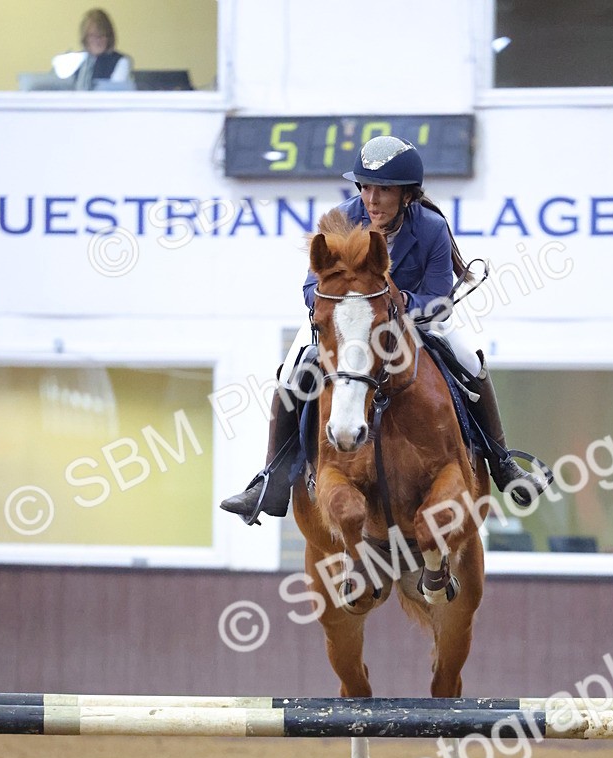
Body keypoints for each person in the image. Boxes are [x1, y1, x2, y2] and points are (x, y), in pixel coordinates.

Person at [221, 135, 544, 525]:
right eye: (366, 187)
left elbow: (439, 296)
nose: (372, 199)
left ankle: (501, 461)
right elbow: (311, 288)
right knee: (291, 373)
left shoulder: (431, 228)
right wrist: (342, 302)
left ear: (407, 195)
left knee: (471, 362)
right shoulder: (339, 221)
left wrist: (399, 303)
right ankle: (269, 480)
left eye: (384, 190)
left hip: (414, 325)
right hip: (349, 328)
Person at [66, 9, 133, 90]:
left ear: (109, 37)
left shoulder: (121, 61)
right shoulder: (76, 61)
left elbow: (112, 95)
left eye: (102, 35)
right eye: (92, 35)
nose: (97, 40)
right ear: (85, 37)